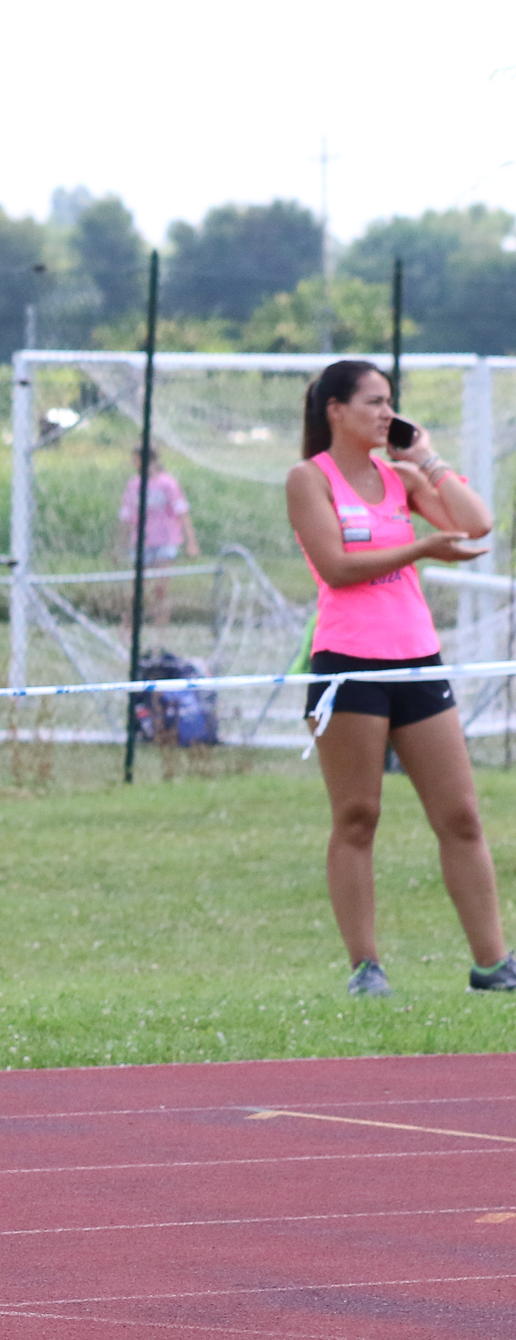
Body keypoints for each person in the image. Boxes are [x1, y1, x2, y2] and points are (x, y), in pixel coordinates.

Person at [283, 358, 507, 998]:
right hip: (347, 666)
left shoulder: (401, 476)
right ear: (336, 410)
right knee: (358, 817)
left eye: (390, 402)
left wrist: (428, 459)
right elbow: (336, 567)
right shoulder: (309, 479)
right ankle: (366, 967)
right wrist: (421, 548)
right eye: (375, 402)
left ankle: (494, 965)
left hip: (417, 661)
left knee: (460, 816)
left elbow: (476, 523)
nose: (388, 413)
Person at [121, 447, 201, 627]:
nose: (134, 464)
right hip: (142, 541)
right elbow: (127, 516)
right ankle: (130, 626)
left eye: (136, 460)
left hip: (166, 540)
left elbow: (182, 513)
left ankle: (161, 628)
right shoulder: (134, 485)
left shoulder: (168, 484)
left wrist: (191, 543)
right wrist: (120, 544)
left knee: (161, 587)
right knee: (137, 588)